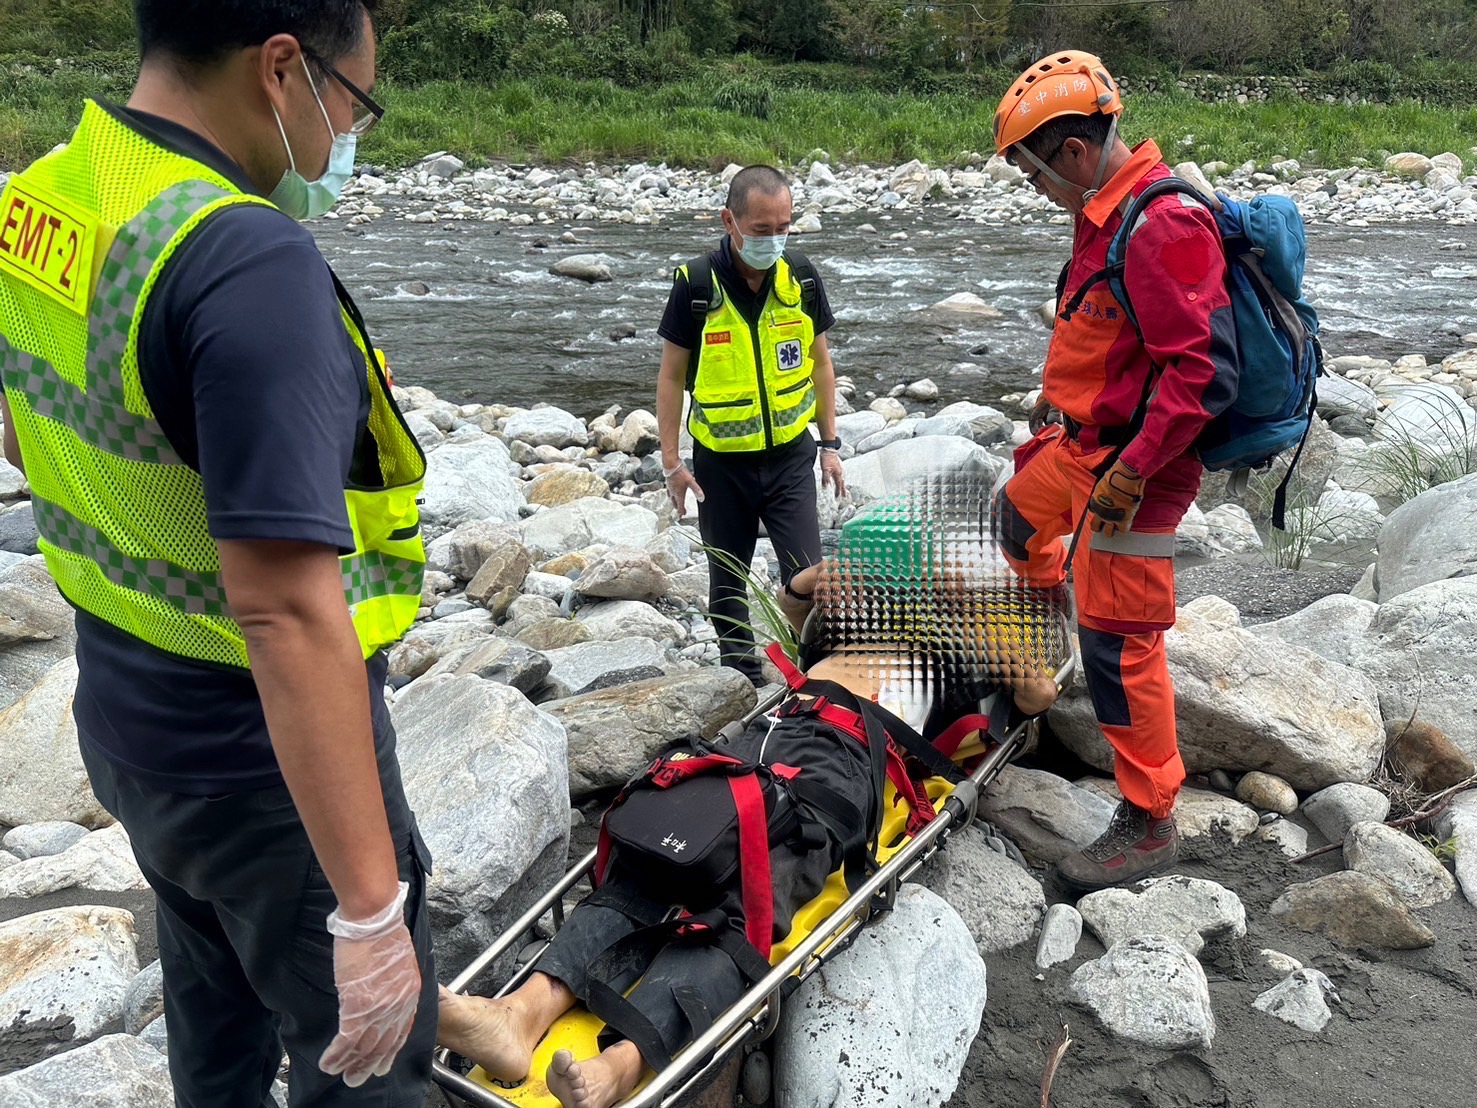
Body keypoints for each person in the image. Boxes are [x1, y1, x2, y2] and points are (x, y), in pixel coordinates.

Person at [0, 2, 437, 1103]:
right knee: (366, 1062)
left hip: (130, 729)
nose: (347, 132)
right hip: (264, 770)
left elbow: (32, 417)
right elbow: (284, 613)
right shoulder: (246, 261)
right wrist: (373, 913)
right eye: (353, 99)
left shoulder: (46, 195)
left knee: (217, 1029)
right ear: (282, 68)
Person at [436, 565, 1058, 1108]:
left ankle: (622, 1063)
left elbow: (1037, 695)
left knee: (738, 910)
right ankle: (517, 1016)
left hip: (840, 765)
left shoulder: (960, 662)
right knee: (651, 860)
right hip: (760, 743)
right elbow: (792, 623)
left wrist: (984, 621)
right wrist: (806, 583)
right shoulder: (857, 626)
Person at [989, 50, 1238, 890]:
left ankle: (1148, 820)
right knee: (1014, 521)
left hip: (1140, 466)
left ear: (1066, 151)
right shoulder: (1103, 209)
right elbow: (1108, 335)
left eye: (1030, 175)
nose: (1035, 190)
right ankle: (1040, 647)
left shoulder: (1160, 221)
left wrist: (1131, 471)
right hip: (1084, 444)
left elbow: (1202, 374)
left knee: (1118, 643)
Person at [654, 165, 846, 686]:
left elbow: (821, 363)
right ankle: (738, 680)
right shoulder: (696, 284)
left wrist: (830, 444)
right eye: (763, 230)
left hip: (789, 456)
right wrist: (671, 462)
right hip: (721, 465)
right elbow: (671, 378)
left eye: (784, 227)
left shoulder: (800, 277)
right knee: (728, 579)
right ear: (730, 221)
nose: (775, 239)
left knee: (811, 576)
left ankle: (816, 676)